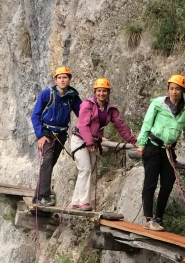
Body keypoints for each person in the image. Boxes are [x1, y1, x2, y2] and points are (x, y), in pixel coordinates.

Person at [135, 73, 185, 230]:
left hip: (168, 150)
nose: (174, 92)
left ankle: (159, 218)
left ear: (183, 91)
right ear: (168, 89)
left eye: (177, 89)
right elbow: (147, 123)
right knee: (150, 182)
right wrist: (141, 143)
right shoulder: (158, 104)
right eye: (171, 88)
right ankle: (148, 219)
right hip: (152, 146)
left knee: (167, 183)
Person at [69, 77, 136, 210]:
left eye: (104, 91)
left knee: (87, 170)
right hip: (80, 140)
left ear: (108, 92)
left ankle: (76, 201)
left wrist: (133, 141)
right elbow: (83, 125)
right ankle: (84, 202)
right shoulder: (87, 105)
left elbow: (120, 126)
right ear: (95, 91)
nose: (101, 93)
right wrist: (89, 142)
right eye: (99, 91)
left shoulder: (110, 109)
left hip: (93, 142)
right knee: (85, 169)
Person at [30, 65, 82, 207]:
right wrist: (40, 135)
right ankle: (44, 197)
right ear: (55, 80)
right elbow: (35, 116)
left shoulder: (73, 97)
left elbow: (82, 115)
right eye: (59, 77)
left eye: (65, 77)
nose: (62, 80)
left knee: (49, 164)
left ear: (69, 79)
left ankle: (37, 197)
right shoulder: (47, 94)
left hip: (61, 135)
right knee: (47, 160)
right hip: (46, 133)